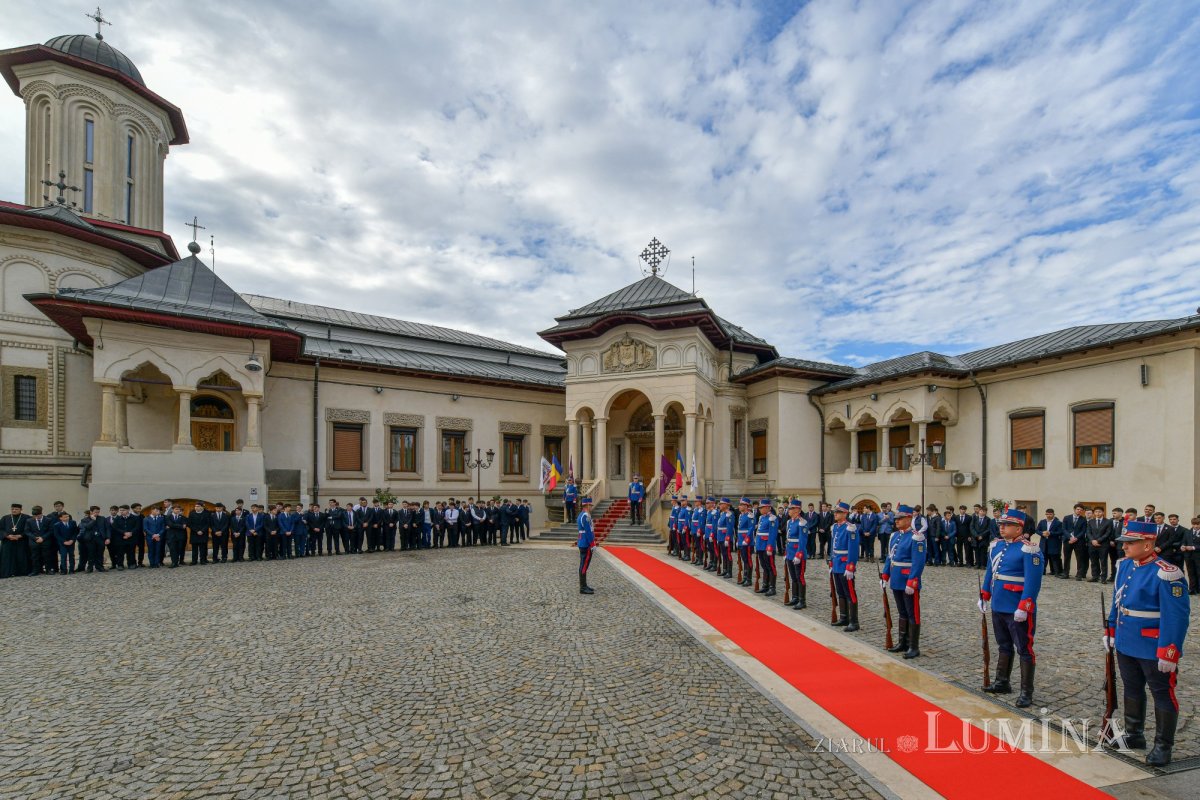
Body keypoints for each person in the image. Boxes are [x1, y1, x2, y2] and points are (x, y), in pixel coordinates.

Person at [1106, 519, 1190, 766]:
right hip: (1126, 639)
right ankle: (1134, 734)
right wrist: (1111, 629)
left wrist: (1169, 650)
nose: (1124, 547)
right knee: (1131, 688)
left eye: (1130, 543)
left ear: (1148, 543)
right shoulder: (1124, 566)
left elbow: (1176, 616)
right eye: (1124, 543)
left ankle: (1163, 746)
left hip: (1153, 646)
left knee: (1162, 693)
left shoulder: (1167, 573)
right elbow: (1118, 602)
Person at [979, 507, 1043, 706]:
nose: (1002, 528)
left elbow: (1033, 582)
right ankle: (1002, 681)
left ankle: (1026, 692)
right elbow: (991, 572)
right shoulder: (996, 546)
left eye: (1007, 525)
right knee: (1003, 644)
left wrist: (1025, 605)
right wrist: (984, 595)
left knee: (1024, 648)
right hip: (999, 603)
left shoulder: (1029, 549)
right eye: (1001, 524)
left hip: (1017, 607)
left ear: (1019, 528)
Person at [881, 505, 924, 656]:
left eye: (900, 518)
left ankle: (914, 646)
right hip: (897, 579)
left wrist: (912, 581)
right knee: (902, 612)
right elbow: (890, 557)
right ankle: (902, 642)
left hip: (908, 580)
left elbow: (918, 562)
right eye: (896, 518)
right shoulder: (894, 536)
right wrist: (885, 575)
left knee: (912, 613)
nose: (897, 521)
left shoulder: (916, 537)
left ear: (909, 518)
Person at [829, 501, 859, 630]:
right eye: (835, 512)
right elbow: (832, 546)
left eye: (839, 512)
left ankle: (854, 621)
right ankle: (843, 617)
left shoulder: (850, 528)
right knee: (840, 592)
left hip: (845, 564)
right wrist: (831, 560)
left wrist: (850, 566)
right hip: (836, 563)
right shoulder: (835, 527)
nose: (836, 514)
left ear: (846, 513)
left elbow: (853, 549)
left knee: (849, 593)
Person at [785, 499, 809, 609]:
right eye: (789, 508)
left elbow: (802, 540)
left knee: (800, 577)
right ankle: (795, 597)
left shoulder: (802, 522)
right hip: (790, 552)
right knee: (793, 577)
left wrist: (799, 554)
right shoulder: (790, 522)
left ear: (798, 510)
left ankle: (802, 600)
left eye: (791, 508)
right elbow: (788, 539)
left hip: (798, 553)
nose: (789, 510)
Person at [755, 498, 777, 596]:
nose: (760, 509)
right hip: (760, 545)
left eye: (762, 507)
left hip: (767, 546)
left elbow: (772, 534)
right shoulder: (761, 517)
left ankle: (772, 587)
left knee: (770, 566)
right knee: (764, 566)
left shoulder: (772, 518)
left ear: (768, 507)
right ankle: (765, 585)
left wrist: (770, 546)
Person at [26, 506, 55, 575]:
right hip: (34, 542)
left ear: (41, 514)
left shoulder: (48, 520)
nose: (36, 518)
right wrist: (35, 538)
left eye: (38, 516)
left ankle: (48, 570)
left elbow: (51, 530)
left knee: (47, 556)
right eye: (34, 516)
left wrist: (43, 538)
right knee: (34, 556)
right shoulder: (29, 520)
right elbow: (27, 531)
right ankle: (35, 570)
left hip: (45, 541)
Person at [1088, 506, 1114, 583]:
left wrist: (1098, 541)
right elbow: (1088, 532)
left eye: (1099, 512)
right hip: (1092, 544)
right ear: (1094, 513)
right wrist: (1092, 540)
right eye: (1096, 512)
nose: (1098, 513)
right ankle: (1095, 576)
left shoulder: (1108, 521)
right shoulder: (1090, 521)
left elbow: (1108, 533)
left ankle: (1103, 578)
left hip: (1103, 545)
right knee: (1093, 561)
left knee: (1103, 561)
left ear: (1103, 512)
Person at [577, 496, 595, 595]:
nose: (591, 507)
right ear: (587, 505)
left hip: (583, 541)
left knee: (583, 565)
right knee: (584, 566)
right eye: (590, 505)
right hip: (586, 543)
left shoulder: (582, 515)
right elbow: (588, 531)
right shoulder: (585, 516)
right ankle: (583, 587)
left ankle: (584, 585)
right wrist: (592, 543)